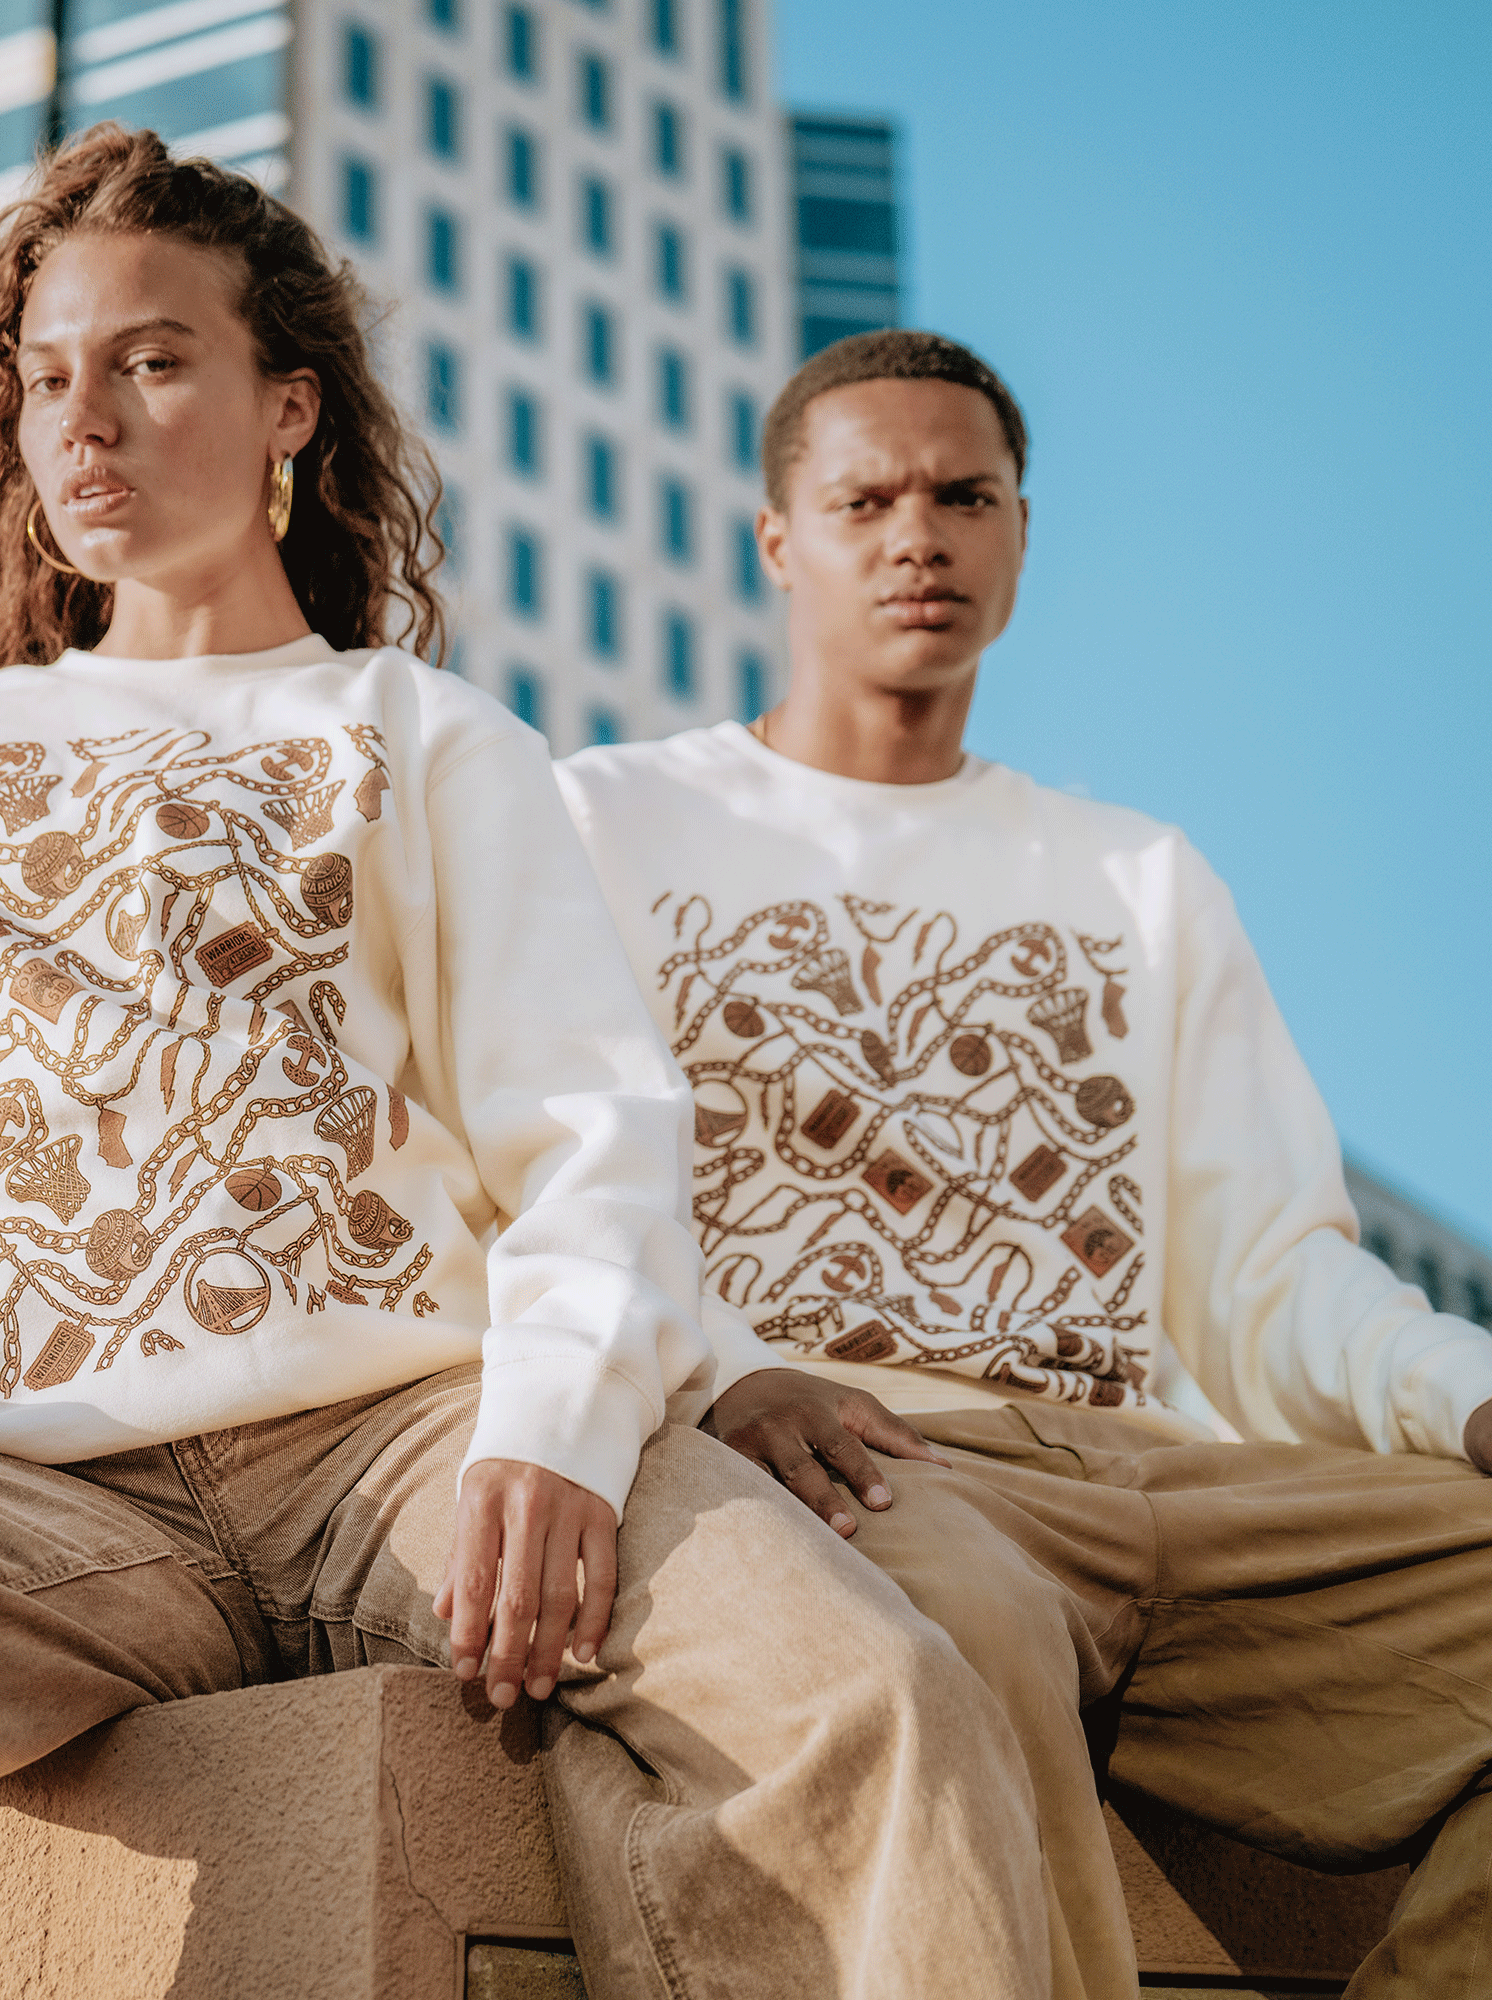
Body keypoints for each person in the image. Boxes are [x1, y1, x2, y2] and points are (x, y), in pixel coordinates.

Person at [0, 139, 1055, 2000]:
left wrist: (554, 1429)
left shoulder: (421, 733)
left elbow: (587, 1130)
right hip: (24, 1498)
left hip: (409, 1440)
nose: (88, 417)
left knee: (871, 1700)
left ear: (284, 404)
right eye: (47, 375)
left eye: (151, 361)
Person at [557, 328, 1492, 2000]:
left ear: (1021, 532)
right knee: (959, 1641)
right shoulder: (607, 822)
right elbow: (550, 1177)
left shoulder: (1139, 875)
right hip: (865, 1465)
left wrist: (1469, 1396)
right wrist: (731, 1373)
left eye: (964, 494)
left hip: (1158, 1477)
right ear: (781, 540)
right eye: (868, 500)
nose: (920, 534)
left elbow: (1272, 1275)